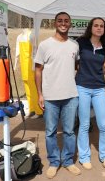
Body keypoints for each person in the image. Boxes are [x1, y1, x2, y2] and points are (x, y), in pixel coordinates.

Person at [34, 12, 81, 179]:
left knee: (69, 131)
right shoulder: (45, 45)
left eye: (66, 21)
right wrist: (40, 94)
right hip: (50, 97)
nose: (63, 23)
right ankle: (54, 162)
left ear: (70, 24)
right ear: (55, 23)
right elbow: (38, 70)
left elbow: (76, 66)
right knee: (50, 132)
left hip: (71, 96)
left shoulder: (74, 45)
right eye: (60, 21)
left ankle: (68, 161)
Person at [76, 17, 105, 170]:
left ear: (104, 29)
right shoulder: (80, 43)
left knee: (103, 124)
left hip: (99, 89)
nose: (99, 28)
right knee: (84, 125)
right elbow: (74, 62)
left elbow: (101, 66)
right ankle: (84, 157)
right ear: (91, 27)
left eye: (101, 26)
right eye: (96, 25)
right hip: (82, 87)